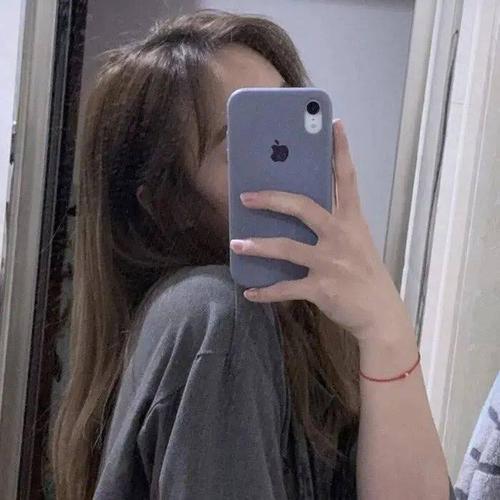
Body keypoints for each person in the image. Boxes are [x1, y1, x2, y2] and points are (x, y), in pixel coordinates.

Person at [51, 10, 454, 500]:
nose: (290, 159)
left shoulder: (308, 325)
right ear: (169, 202)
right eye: (248, 143)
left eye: (290, 119)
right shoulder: (216, 317)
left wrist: (385, 329)